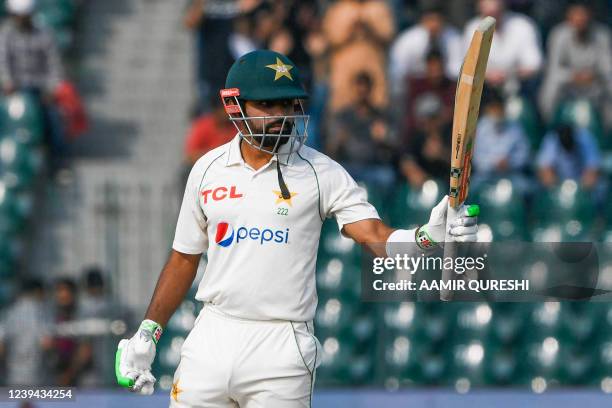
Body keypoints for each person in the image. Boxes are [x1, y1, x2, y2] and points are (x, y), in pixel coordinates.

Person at [115, 50, 479, 407]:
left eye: (288, 105)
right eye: (268, 106)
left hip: (282, 345)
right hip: (212, 334)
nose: (281, 116)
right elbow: (183, 259)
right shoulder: (207, 169)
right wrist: (149, 330)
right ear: (234, 106)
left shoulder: (322, 173)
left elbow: (375, 236)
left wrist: (426, 238)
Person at [0, 0, 66, 155]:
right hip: (15, 89)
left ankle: (59, 161)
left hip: (40, 89)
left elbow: (54, 64)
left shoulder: (44, 33)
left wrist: (51, 89)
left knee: (54, 120)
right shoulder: (6, 35)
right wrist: (7, 82)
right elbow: (3, 61)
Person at [539, 1, 612, 124]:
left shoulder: (602, 35)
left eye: (583, 17)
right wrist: (573, 76)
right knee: (551, 84)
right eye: (576, 17)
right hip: (568, 86)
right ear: (569, 18)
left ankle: (607, 130)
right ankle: (548, 123)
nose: (580, 21)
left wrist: (593, 75)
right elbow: (553, 69)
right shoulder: (558, 34)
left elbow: (608, 68)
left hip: (595, 86)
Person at [326, 71, 396, 191]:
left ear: (370, 90)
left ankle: (384, 210)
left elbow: (394, 145)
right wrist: (339, 140)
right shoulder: (343, 116)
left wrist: (385, 138)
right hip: (349, 166)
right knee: (335, 176)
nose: (362, 92)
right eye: (359, 88)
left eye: (365, 88)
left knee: (387, 176)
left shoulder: (380, 116)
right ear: (353, 89)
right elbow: (330, 149)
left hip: (373, 167)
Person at [322, 0, 395, 112]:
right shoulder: (338, 9)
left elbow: (387, 36)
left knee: (377, 102)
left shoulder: (379, 8)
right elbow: (330, 38)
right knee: (343, 105)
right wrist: (351, 29)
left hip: (373, 63)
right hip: (345, 66)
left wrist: (370, 28)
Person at [463, 0, 543, 95]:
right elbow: (467, 67)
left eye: (495, 13)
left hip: (519, 87)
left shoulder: (523, 25)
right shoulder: (472, 28)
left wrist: (509, 75)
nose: (492, 18)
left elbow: (534, 64)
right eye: (488, 14)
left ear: (503, 6)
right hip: (483, 89)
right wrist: (487, 76)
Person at [389, 3, 463, 96]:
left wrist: (437, 75)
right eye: (430, 20)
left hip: (444, 88)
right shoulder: (407, 41)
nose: (434, 25)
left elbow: (457, 70)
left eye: (437, 20)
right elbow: (397, 71)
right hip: (416, 89)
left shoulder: (454, 38)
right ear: (422, 21)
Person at [471, 87, 531, 193]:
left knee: (527, 189)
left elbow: (524, 154)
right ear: (488, 110)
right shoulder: (481, 127)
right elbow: (476, 158)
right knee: (471, 189)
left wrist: (510, 162)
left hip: (511, 175)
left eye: (499, 108)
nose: (497, 112)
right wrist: (494, 163)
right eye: (494, 108)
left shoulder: (515, 127)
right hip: (486, 177)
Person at [0, 278, 52, 386]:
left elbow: (1, 346)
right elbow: (46, 344)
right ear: (38, 291)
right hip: (36, 374)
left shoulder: (10, 312)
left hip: (12, 374)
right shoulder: (41, 312)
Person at [402, 49, 456, 140]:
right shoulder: (416, 86)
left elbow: (451, 115)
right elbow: (412, 118)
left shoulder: (451, 87)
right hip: (420, 137)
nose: (435, 74)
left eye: (438, 69)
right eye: (432, 69)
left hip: (444, 137)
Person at [536, 123, 603, 196]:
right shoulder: (551, 139)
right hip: (558, 187)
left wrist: (578, 191)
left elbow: (593, 172)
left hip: (582, 188)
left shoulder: (585, 138)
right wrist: (558, 189)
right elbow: (545, 172)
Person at [400, 95, 451, 188]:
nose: (429, 123)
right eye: (425, 119)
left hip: (447, 184)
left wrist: (441, 153)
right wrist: (413, 171)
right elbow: (406, 159)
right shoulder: (417, 136)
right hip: (423, 185)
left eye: (433, 118)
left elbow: (463, 166)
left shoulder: (450, 133)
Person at [184, 96, 237, 166]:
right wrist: (217, 155)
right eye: (223, 109)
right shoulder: (203, 125)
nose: (226, 113)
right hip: (205, 167)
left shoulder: (237, 126)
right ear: (216, 110)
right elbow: (190, 156)